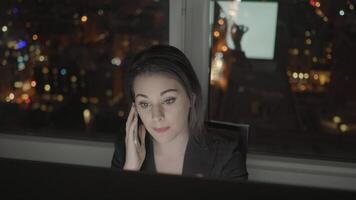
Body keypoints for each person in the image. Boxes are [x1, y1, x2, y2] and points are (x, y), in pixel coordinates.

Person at [111, 45, 248, 181]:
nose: (157, 116)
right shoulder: (125, 152)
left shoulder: (225, 157)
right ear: (135, 108)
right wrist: (130, 171)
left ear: (191, 98)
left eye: (168, 100)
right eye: (144, 104)